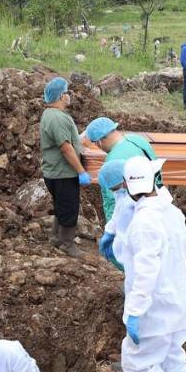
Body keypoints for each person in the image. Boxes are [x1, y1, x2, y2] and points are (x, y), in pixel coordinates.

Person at [116, 156, 186, 372]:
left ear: (128, 185)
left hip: (155, 306)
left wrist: (134, 312)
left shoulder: (144, 222)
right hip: (177, 301)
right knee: (172, 356)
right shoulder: (171, 212)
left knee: (136, 363)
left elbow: (146, 273)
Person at [39, 77, 91, 258]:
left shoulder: (50, 114)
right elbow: (65, 148)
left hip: (54, 171)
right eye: (67, 92)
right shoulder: (57, 119)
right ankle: (68, 244)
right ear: (61, 96)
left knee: (61, 205)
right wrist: (81, 171)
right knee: (69, 207)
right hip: (62, 173)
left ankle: (56, 238)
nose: (70, 96)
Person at [84, 117, 157, 223]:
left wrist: (112, 226)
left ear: (99, 142)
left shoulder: (112, 161)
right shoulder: (137, 140)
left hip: (132, 214)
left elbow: (112, 198)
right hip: (154, 200)